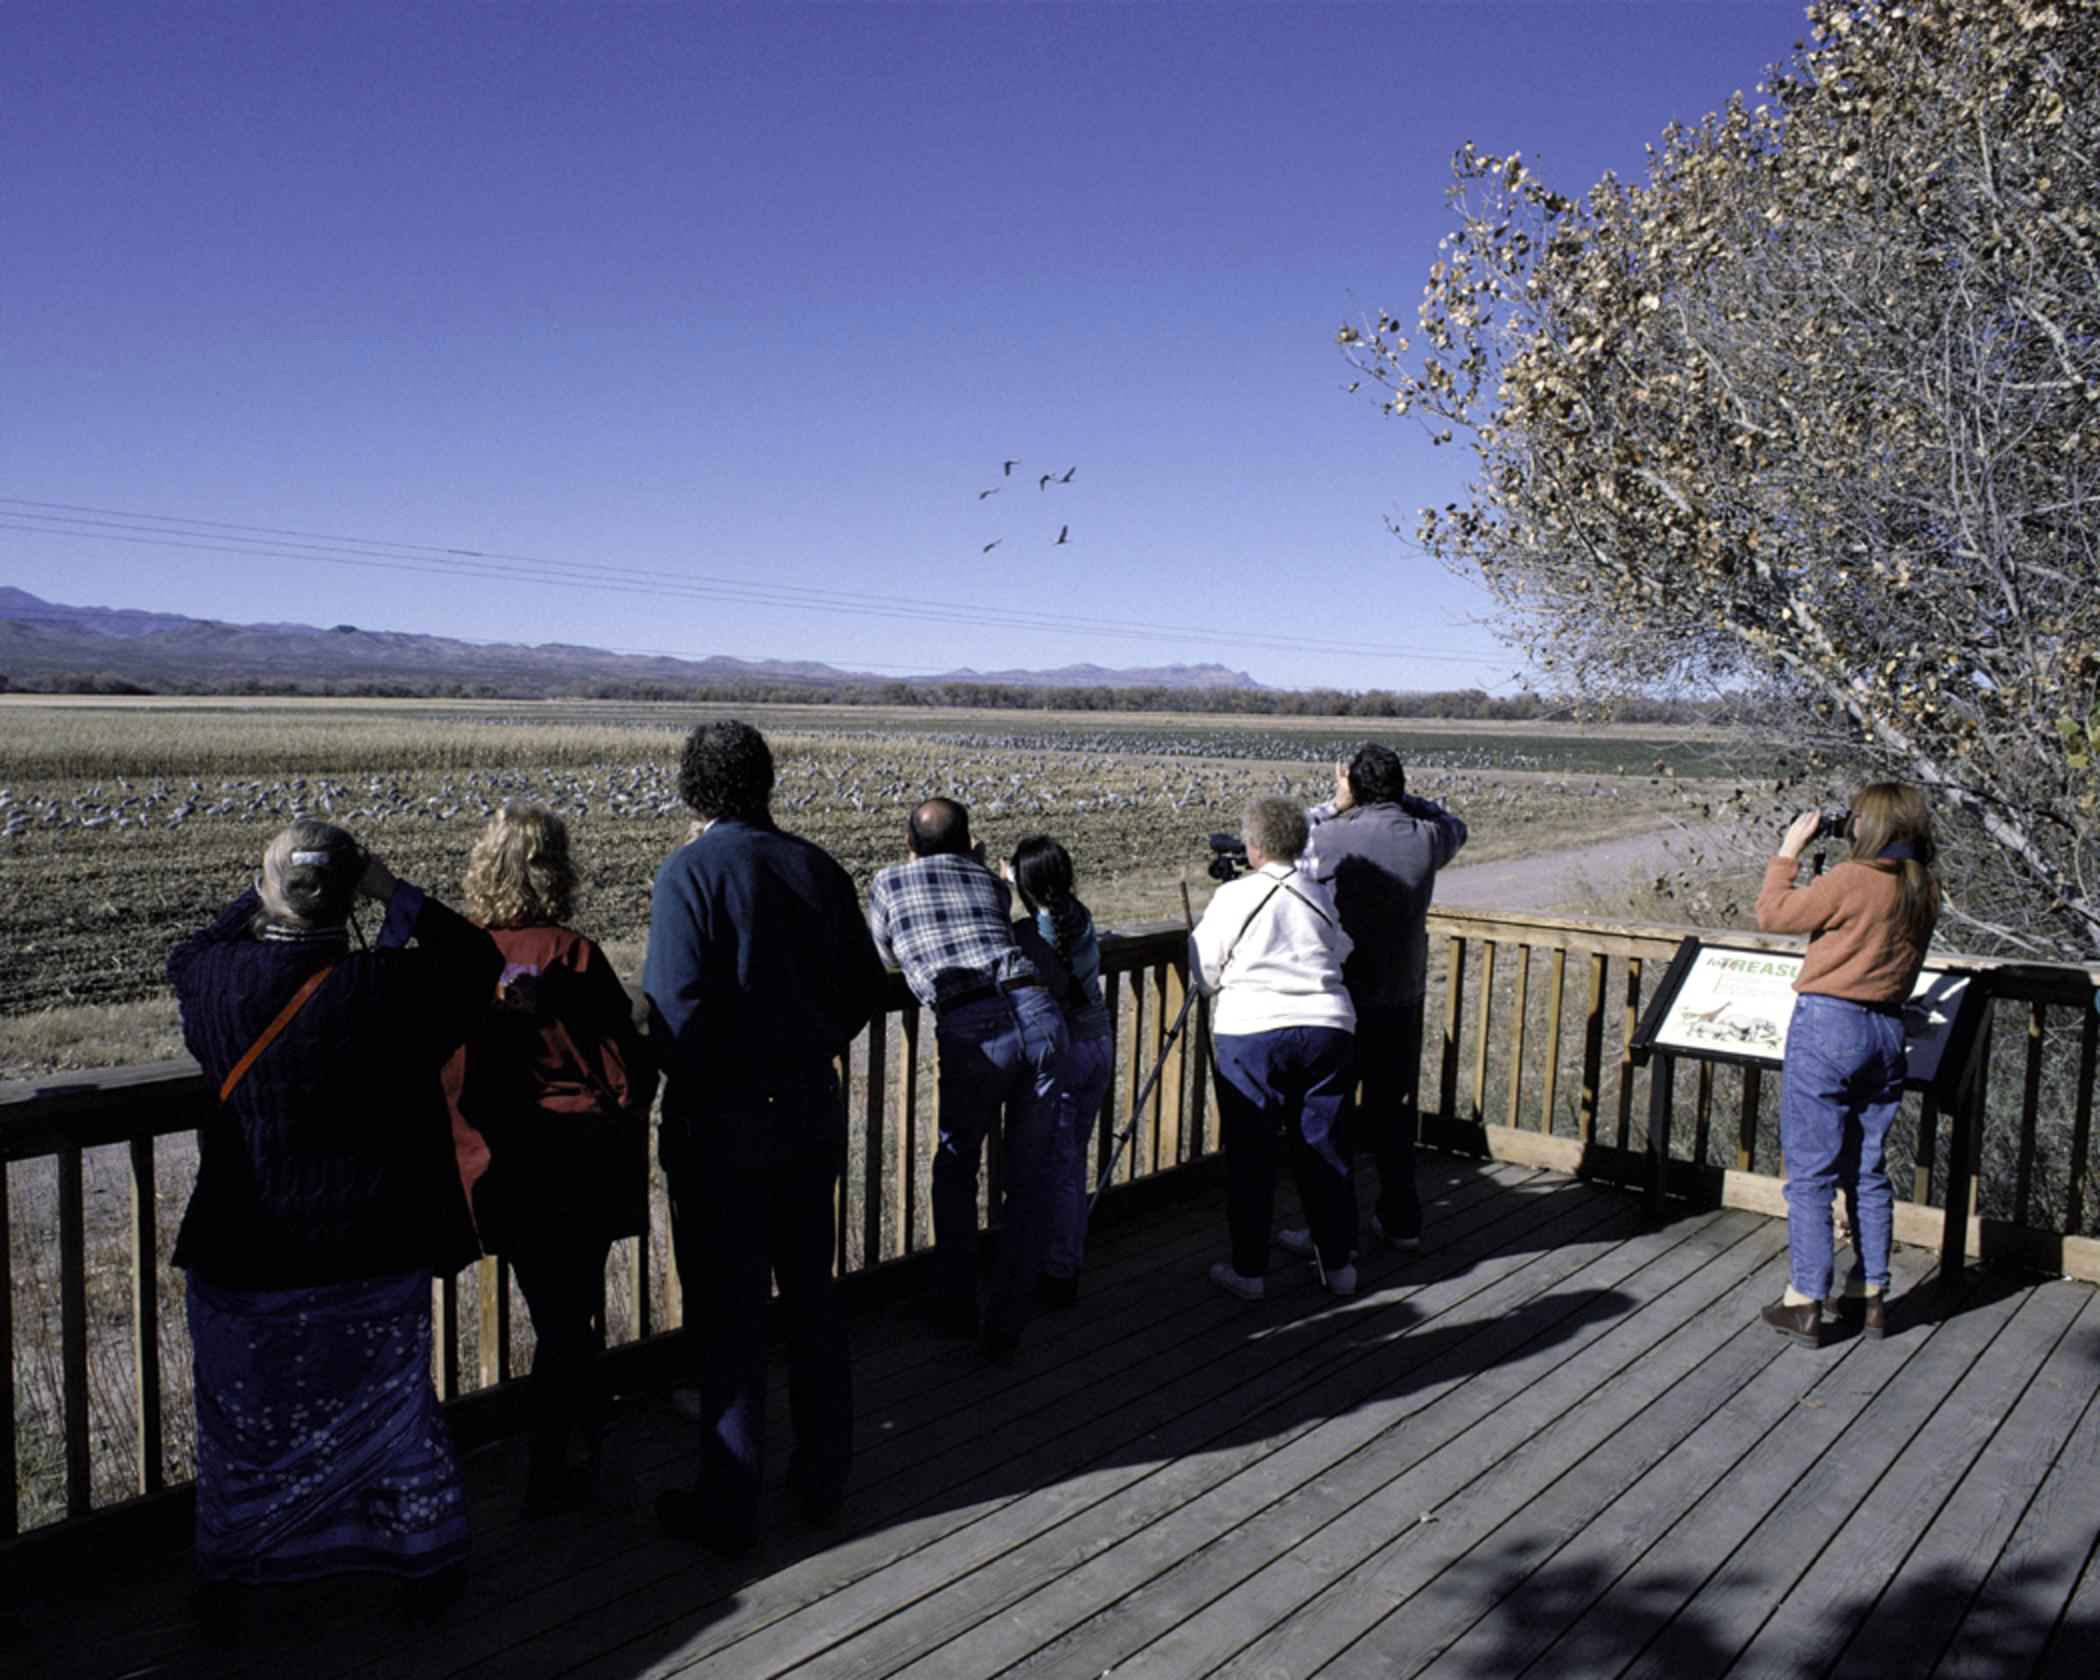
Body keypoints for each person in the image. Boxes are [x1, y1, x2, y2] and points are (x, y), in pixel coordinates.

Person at [167, 821, 501, 1636]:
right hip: (370, 1250)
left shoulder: (216, 981)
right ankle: (413, 1563)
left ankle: (238, 1576)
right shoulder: (388, 987)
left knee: (244, 1430)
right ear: (348, 900)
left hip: (245, 1254)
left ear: (268, 895)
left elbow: (186, 951)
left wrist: (265, 887)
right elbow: (477, 961)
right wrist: (386, 890)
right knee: (389, 1418)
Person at [645, 721, 888, 1556]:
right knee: (813, 1301)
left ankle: (730, 1503)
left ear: (692, 790)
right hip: (808, 1115)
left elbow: (673, 1011)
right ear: (766, 782)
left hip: (721, 1127)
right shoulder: (813, 864)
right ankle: (825, 1476)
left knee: (729, 1317)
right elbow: (863, 986)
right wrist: (808, 1040)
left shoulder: (690, 872)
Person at [441, 802, 656, 1518]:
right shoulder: (575, 953)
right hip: (580, 1155)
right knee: (571, 1314)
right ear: (555, 869)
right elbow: (624, 1059)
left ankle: (569, 1455)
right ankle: (561, 1462)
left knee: (556, 1313)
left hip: (508, 1159)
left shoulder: (461, 954)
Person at [867, 797, 1069, 1355]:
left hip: (975, 1024)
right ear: (969, 841)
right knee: (1029, 1178)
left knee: (957, 1166)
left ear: (909, 842)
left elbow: (885, 950)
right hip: (1039, 1010)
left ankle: (955, 1301)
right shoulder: (990, 885)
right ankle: (1007, 1323)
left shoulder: (888, 883)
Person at [1755, 783, 1940, 1346]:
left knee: (1811, 1173)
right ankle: (1871, 1295)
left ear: (1871, 826)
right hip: (1885, 1030)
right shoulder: (1924, 887)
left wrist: (1788, 852)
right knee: (1867, 1169)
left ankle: (1805, 1299)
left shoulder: (1850, 880)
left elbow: (1773, 913)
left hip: (1828, 1025)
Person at [1286, 743, 1466, 1256]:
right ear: (1401, 786)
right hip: (1403, 995)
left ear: (1353, 785)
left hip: (1342, 998)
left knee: (1331, 1113)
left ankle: (1331, 1232)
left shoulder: (1330, 836)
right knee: (1392, 1112)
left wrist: (1336, 801)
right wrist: (1409, 801)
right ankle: (1401, 1219)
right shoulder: (1428, 837)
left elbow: (1284, 843)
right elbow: (1456, 823)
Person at [1190, 796, 1359, 1301]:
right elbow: (1342, 951)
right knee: (1324, 1145)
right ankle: (1339, 1264)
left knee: (1252, 1152)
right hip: (1328, 1027)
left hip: (1251, 1033)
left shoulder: (1234, 898)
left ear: (1254, 846)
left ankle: (1250, 1270)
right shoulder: (1317, 894)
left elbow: (1205, 972)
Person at [1004, 835, 1114, 1310]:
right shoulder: (1080, 916)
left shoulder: (1031, 933)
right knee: (1073, 1160)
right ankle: (1063, 1251)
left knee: (1061, 1168)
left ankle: (1060, 1267)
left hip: (1065, 1054)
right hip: (1099, 1045)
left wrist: (1006, 886)